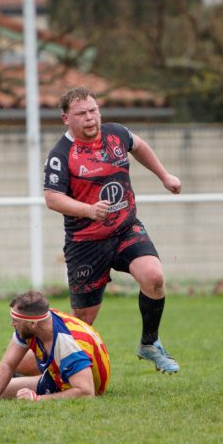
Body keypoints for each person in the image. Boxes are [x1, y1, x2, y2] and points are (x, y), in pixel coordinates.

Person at [44, 87, 182, 373]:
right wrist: (88, 210)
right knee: (84, 319)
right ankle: (51, 368)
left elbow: (139, 145)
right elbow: (52, 198)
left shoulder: (116, 134)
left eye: (93, 110)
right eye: (81, 113)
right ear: (65, 119)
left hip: (125, 229)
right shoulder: (60, 155)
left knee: (154, 277)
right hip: (86, 243)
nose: (90, 117)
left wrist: (164, 175)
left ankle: (149, 343)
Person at [0, 291, 110, 401]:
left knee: (9, 390)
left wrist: (37, 399)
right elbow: (7, 364)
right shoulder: (37, 322)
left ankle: (43, 382)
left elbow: (87, 392)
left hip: (82, 383)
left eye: (15, 321)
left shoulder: (65, 343)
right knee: (1, 387)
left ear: (32, 324)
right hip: (60, 370)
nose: (11, 324)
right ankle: (41, 377)